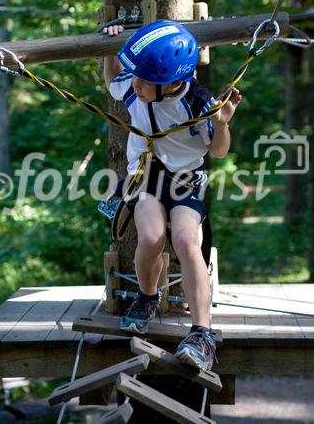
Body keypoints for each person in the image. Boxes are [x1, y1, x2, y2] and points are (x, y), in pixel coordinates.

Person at [103, 20, 241, 371]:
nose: (135, 84)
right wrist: (108, 46)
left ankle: (202, 334)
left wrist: (222, 123)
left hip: (187, 179)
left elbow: (220, 152)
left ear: (171, 82)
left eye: (144, 80)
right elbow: (112, 81)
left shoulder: (198, 102)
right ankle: (148, 297)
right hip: (147, 178)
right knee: (151, 237)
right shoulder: (138, 87)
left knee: (184, 239)